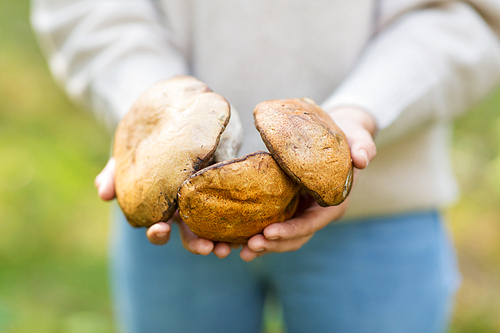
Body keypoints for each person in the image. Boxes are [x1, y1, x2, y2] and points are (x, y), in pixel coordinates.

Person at [31, 1, 500, 332]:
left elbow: (470, 15)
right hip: (170, 217)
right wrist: (156, 101)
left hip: (380, 218)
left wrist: (362, 110)